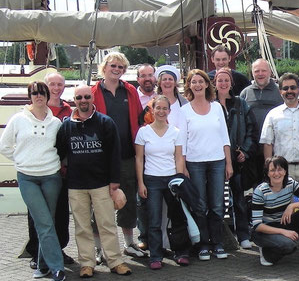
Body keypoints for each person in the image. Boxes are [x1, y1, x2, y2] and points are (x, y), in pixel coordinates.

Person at [55, 84, 132, 278]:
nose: (83, 101)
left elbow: (115, 153)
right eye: (79, 97)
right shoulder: (66, 126)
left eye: (87, 97)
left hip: (101, 183)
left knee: (106, 224)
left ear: (92, 99)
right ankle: (87, 263)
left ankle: (115, 261)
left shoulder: (105, 123)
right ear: (74, 100)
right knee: (82, 226)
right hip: (76, 184)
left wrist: (114, 182)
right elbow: (59, 152)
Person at [0, 81, 66, 281]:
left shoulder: (56, 123)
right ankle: (57, 268)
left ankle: (42, 264)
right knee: (43, 221)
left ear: (47, 96)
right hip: (27, 177)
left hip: (51, 176)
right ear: (30, 96)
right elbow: (4, 147)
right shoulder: (18, 120)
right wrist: (21, 160)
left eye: (42, 93)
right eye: (34, 93)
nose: (39, 96)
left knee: (48, 222)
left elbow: (61, 149)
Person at [91, 52, 146, 259]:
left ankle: (129, 243)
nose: (116, 70)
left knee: (128, 201)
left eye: (121, 67)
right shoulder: (94, 92)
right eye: (113, 66)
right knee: (99, 203)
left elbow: (140, 120)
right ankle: (98, 248)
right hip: (101, 157)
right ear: (104, 67)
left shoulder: (130, 91)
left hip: (126, 155)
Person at [179, 69, 233, 260]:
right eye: (193, 82)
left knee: (218, 205)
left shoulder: (217, 107)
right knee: (200, 205)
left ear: (206, 84)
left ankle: (217, 243)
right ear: (189, 86)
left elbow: (224, 137)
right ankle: (203, 244)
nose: (198, 85)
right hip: (195, 163)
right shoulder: (183, 111)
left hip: (217, 161)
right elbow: (182, 142)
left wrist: (228, 163)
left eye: (201, 81)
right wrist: (183, 166)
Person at [24, 72, 74, 269]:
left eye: (59, 84)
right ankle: (36, 251)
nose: (56, 88)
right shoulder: (30, 113)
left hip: (60, 172)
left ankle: (58, 248)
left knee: (60, 213)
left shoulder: (69, 111)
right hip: (36, 172)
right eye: (51, 84)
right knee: (37, 213)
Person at [135, 95, 188, 269]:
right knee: (154, 219)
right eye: (158, 108)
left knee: (177, 218)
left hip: (171, 178)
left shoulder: (176, 132)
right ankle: (155, 256)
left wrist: (179, 180)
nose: (161, 111)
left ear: (169, 111)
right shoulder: (143, 132)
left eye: (165, 108)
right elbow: (139, 159)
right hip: (152, 180)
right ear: (152, 110)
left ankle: (180, 252)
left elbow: (179, 157)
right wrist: (141, 183)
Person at [251, 156, 299, 267]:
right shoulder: (260, 191)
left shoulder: (290, 183)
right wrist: (284, 232)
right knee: (289, 246)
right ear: (267, 173)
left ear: (285, 171)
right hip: (264, 230)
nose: (277, 174)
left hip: (283, 222)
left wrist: (292, 206)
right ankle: (266, 251)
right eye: (272, 170)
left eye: (280, 169)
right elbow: (257, 225)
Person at [214, 67, 257, 250]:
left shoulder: (240, 103)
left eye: (226, 80)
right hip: (215, 158)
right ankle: (219, 237)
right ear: (214, 83)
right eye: (219, 80)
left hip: (237, 158)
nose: (223, 83)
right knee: (216, 200)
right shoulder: (209, 105)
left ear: (231, 83)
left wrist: (245, 151)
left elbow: (251, 129)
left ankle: (243, 234)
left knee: (238, 198)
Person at [240, 58, 282, 188]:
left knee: (275, 183)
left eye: (263, 70)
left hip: (275, 148)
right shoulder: (245, 93)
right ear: (252, 73)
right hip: (252, 149)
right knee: (255, 186)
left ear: (270, 72)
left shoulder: (280, 92)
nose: (260, 74)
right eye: (257, 71)